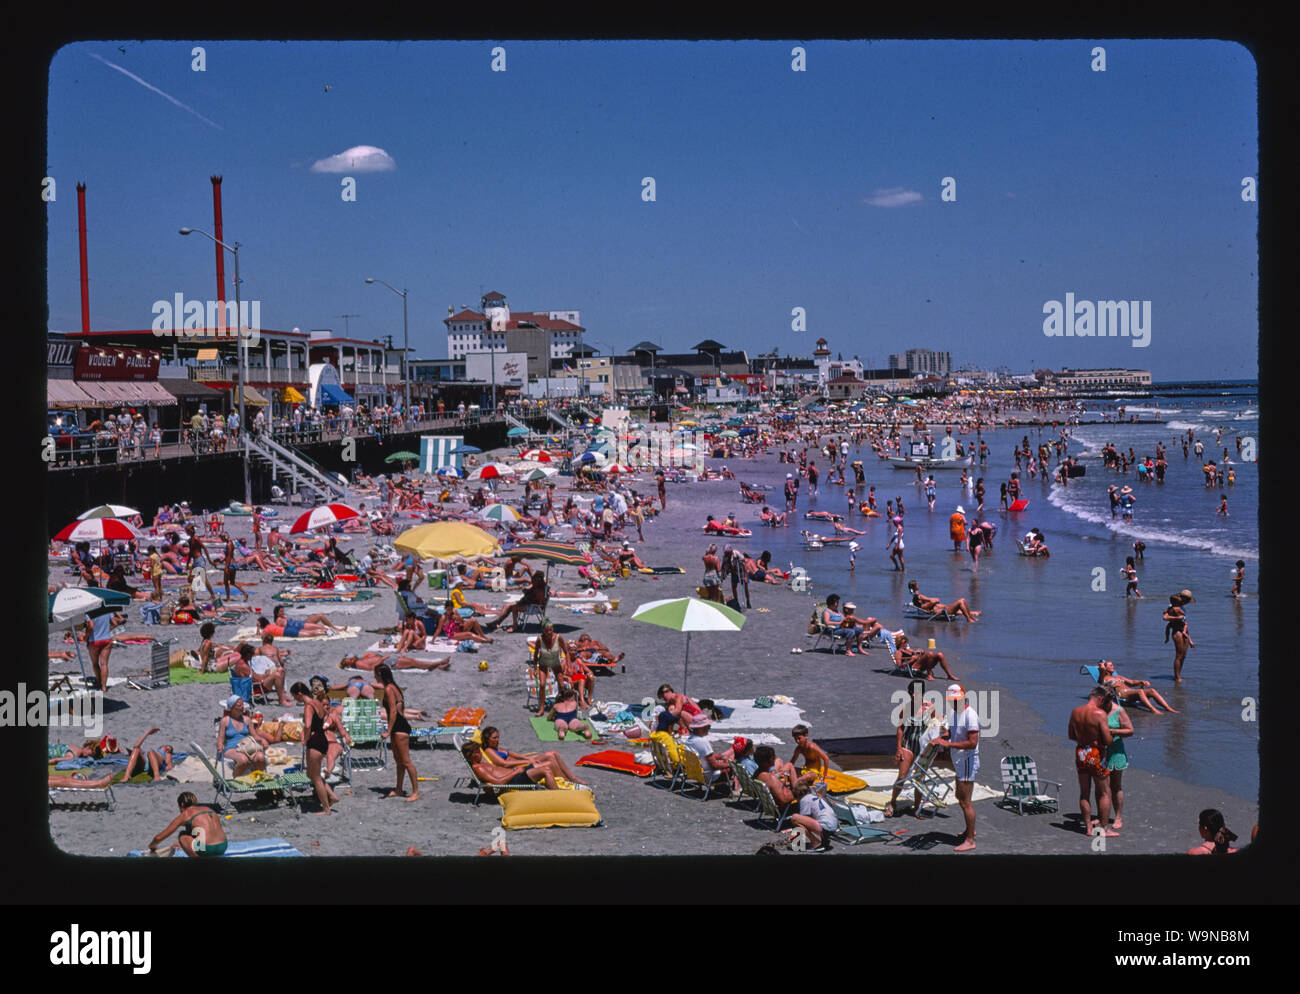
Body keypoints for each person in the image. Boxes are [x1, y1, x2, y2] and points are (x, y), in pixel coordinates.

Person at [933, 683, 980, 851]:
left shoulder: (970, 715)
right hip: (959, 760)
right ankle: (969, 830)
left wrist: (948, 744)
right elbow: (952, 732)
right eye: (952, 700)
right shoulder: (954, 713)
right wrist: (940, 738)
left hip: (967, 760)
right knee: (960, 797)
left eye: (957, 700)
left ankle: (970, 840)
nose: (954, 703)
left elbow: (972, 743)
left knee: (966, 801)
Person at [1068, 686, 1117, 838]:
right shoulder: (1099, 714)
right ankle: (1104, 829)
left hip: (1081, 752)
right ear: (1101, 699)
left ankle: (1088, 827)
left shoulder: (1076, 711)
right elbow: (1108, 740)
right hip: (1096, 754)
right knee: (1104, 793)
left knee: (1084, 792)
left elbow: (1071, 735)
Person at [478, 725, 587, 786]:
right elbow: (504, 764)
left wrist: (529, 758)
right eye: (494, 738)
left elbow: (512, 754)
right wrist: (528, 762)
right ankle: (566, 783)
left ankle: (572, 778)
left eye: (498, 737)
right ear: (487, 739)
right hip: (516, 768)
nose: (497, 740)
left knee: (552, 753)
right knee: (550, 762)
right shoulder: (489, 750)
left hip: (523, 763)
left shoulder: (496, 747)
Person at [293, 679, 340, 814]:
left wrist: (306, 738)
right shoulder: (318, 703)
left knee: (316, 778)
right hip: (322, 739)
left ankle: (326, 809)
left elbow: (307, 725)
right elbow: (326, 715)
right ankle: (332, 796)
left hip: (314, 741)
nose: (296, 699)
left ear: (300, 694)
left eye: (295, 696)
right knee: (311, 774)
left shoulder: (308, 706)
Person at [374, 663, 419, 802]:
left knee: (406, 761)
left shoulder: (388, 689)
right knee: (399, 761)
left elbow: (393, 711)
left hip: (399, 727)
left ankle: (416, 792)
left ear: (380, 675)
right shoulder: (394, 687)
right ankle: (399, 789)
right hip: (398, 727)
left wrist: (387, 731)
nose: (374, 677)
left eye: (375, 674)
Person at [147, 791, 228, 857]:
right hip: (223, 846)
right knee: (192, 831)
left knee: (182, 836)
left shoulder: (186, 814)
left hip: (208, 849)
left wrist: (152, 846)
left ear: (182, 805)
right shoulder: (208, 809)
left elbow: (159, 838)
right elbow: (207, 832)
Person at [462, 739, 561, 790]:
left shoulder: (480, 763)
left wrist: (516, 769)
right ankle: (559, 798)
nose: (480, 753)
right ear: (472, 755)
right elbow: (498, 782)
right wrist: (516, 771)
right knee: (545, 770)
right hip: (515, 780)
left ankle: (566, 783)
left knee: (547, 764)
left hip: (517, 774)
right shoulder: (479, 769)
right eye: (478, 752)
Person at [1101, 692, 1134, 832]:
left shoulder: (1119, 710)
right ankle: (1103, 815)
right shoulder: (1097, 709)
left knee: (1115, 785)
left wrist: (1113, 731)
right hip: (1100, 751)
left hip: (1116, 751)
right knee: (1102, 787)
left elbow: (1130, 730)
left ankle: (1118, 816)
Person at [1098, 659, 1179, 713]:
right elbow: (1101, 679)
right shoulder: (1105, 678)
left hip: (1131, 692)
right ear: (1105, 668)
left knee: (1152, 690)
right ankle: (1153, 709)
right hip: (1122, 695)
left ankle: (1167, 708)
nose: (1113, 666)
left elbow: (1132, 682)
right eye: (1110, 665)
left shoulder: (1118, 676)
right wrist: (1102, 667)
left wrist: (1141, 682)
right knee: (1140, 691)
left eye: (1113, 665)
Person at [217, 695, 270, 776]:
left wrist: (262, 740)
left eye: (242, 705)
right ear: (231, 707)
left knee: (260, 757)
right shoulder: (225, 721)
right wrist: (220, 746)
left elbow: (255, 735)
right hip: (231, 748)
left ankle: (257, 777)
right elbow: (220, 739)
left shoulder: (247, 719)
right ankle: (236, 778)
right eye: (239, 705)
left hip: (246, 747)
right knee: (243, 760)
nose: (242, 707)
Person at [682, 713, 731, 792]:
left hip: (695, 773)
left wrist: (721, 757)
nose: (709, 729)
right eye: (708, 727)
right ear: (701, 728)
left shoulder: (689, 740)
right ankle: (730, 788)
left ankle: (722, 787)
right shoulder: (703, 741)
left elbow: (707, 755)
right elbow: (714, 765)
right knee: (731, 769)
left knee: (724, 761)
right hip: (708, 775)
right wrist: (730, 764)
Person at [531, 620, 571, 716]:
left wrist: (568, 666)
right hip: (543, 663)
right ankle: (541, 708)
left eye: (551, 630)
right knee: (542, 684)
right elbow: (536, 655)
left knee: (561, 686)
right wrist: (535, 669)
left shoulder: (558, 638)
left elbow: (567, 652)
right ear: (543, 631)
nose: (549, 632)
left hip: (555, 662)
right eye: (547, 630)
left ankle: (560, 706)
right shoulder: (539, 640)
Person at [83, 608, 124, 692]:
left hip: (94, 641)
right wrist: (107, 631)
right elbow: (115, 623)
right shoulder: (107, 611)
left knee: (95, 663)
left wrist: (86, 637)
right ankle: (104, 687)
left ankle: (98, 682)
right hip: (107, 639)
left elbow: (91, 626)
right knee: (104, 664)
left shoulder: (90, 612)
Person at [1162, 591, 1196, 683]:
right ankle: (1177, 677)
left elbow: (1185, 623)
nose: (1188, 602)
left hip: (1184, 631)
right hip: (1177, 632)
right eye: (1187, 600)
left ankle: (1178, 675)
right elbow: (1165, 617)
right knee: (1179, 655)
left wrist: (1190, 640)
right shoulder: (1172, 607)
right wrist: (1177, 618)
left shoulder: (1182, 607)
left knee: (1183, 655)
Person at [908, 580, 980, 621]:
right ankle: (969, 619)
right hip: (943, 612)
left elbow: (934, 601)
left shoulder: (920, 599)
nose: (918, 585)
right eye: (917, 585)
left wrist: (932, 601)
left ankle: (971, 617)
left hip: (943, 609)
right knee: (961, 601)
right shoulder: (922, 603)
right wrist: (932, 600)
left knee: (962, 600)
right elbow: (934, 601)